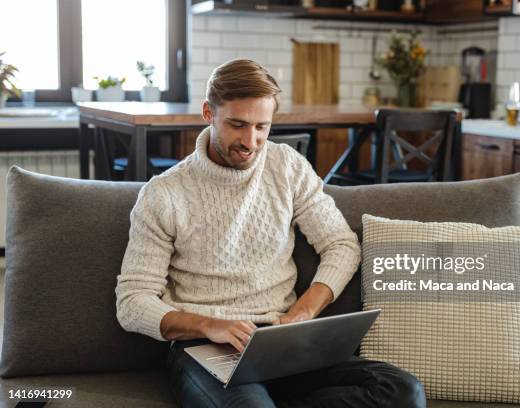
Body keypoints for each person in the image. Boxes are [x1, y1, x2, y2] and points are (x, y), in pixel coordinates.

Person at [115, 59, 425, 408]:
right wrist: (209, 325)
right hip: (204, 348)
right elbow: (132, 303)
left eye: (263, 126)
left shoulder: (288, 167)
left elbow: (341, 245)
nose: (251, 141)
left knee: (403, 391)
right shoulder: (164, 194)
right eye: (238, 125)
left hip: (284, 341)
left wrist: (303, 313)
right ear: (208, 113)